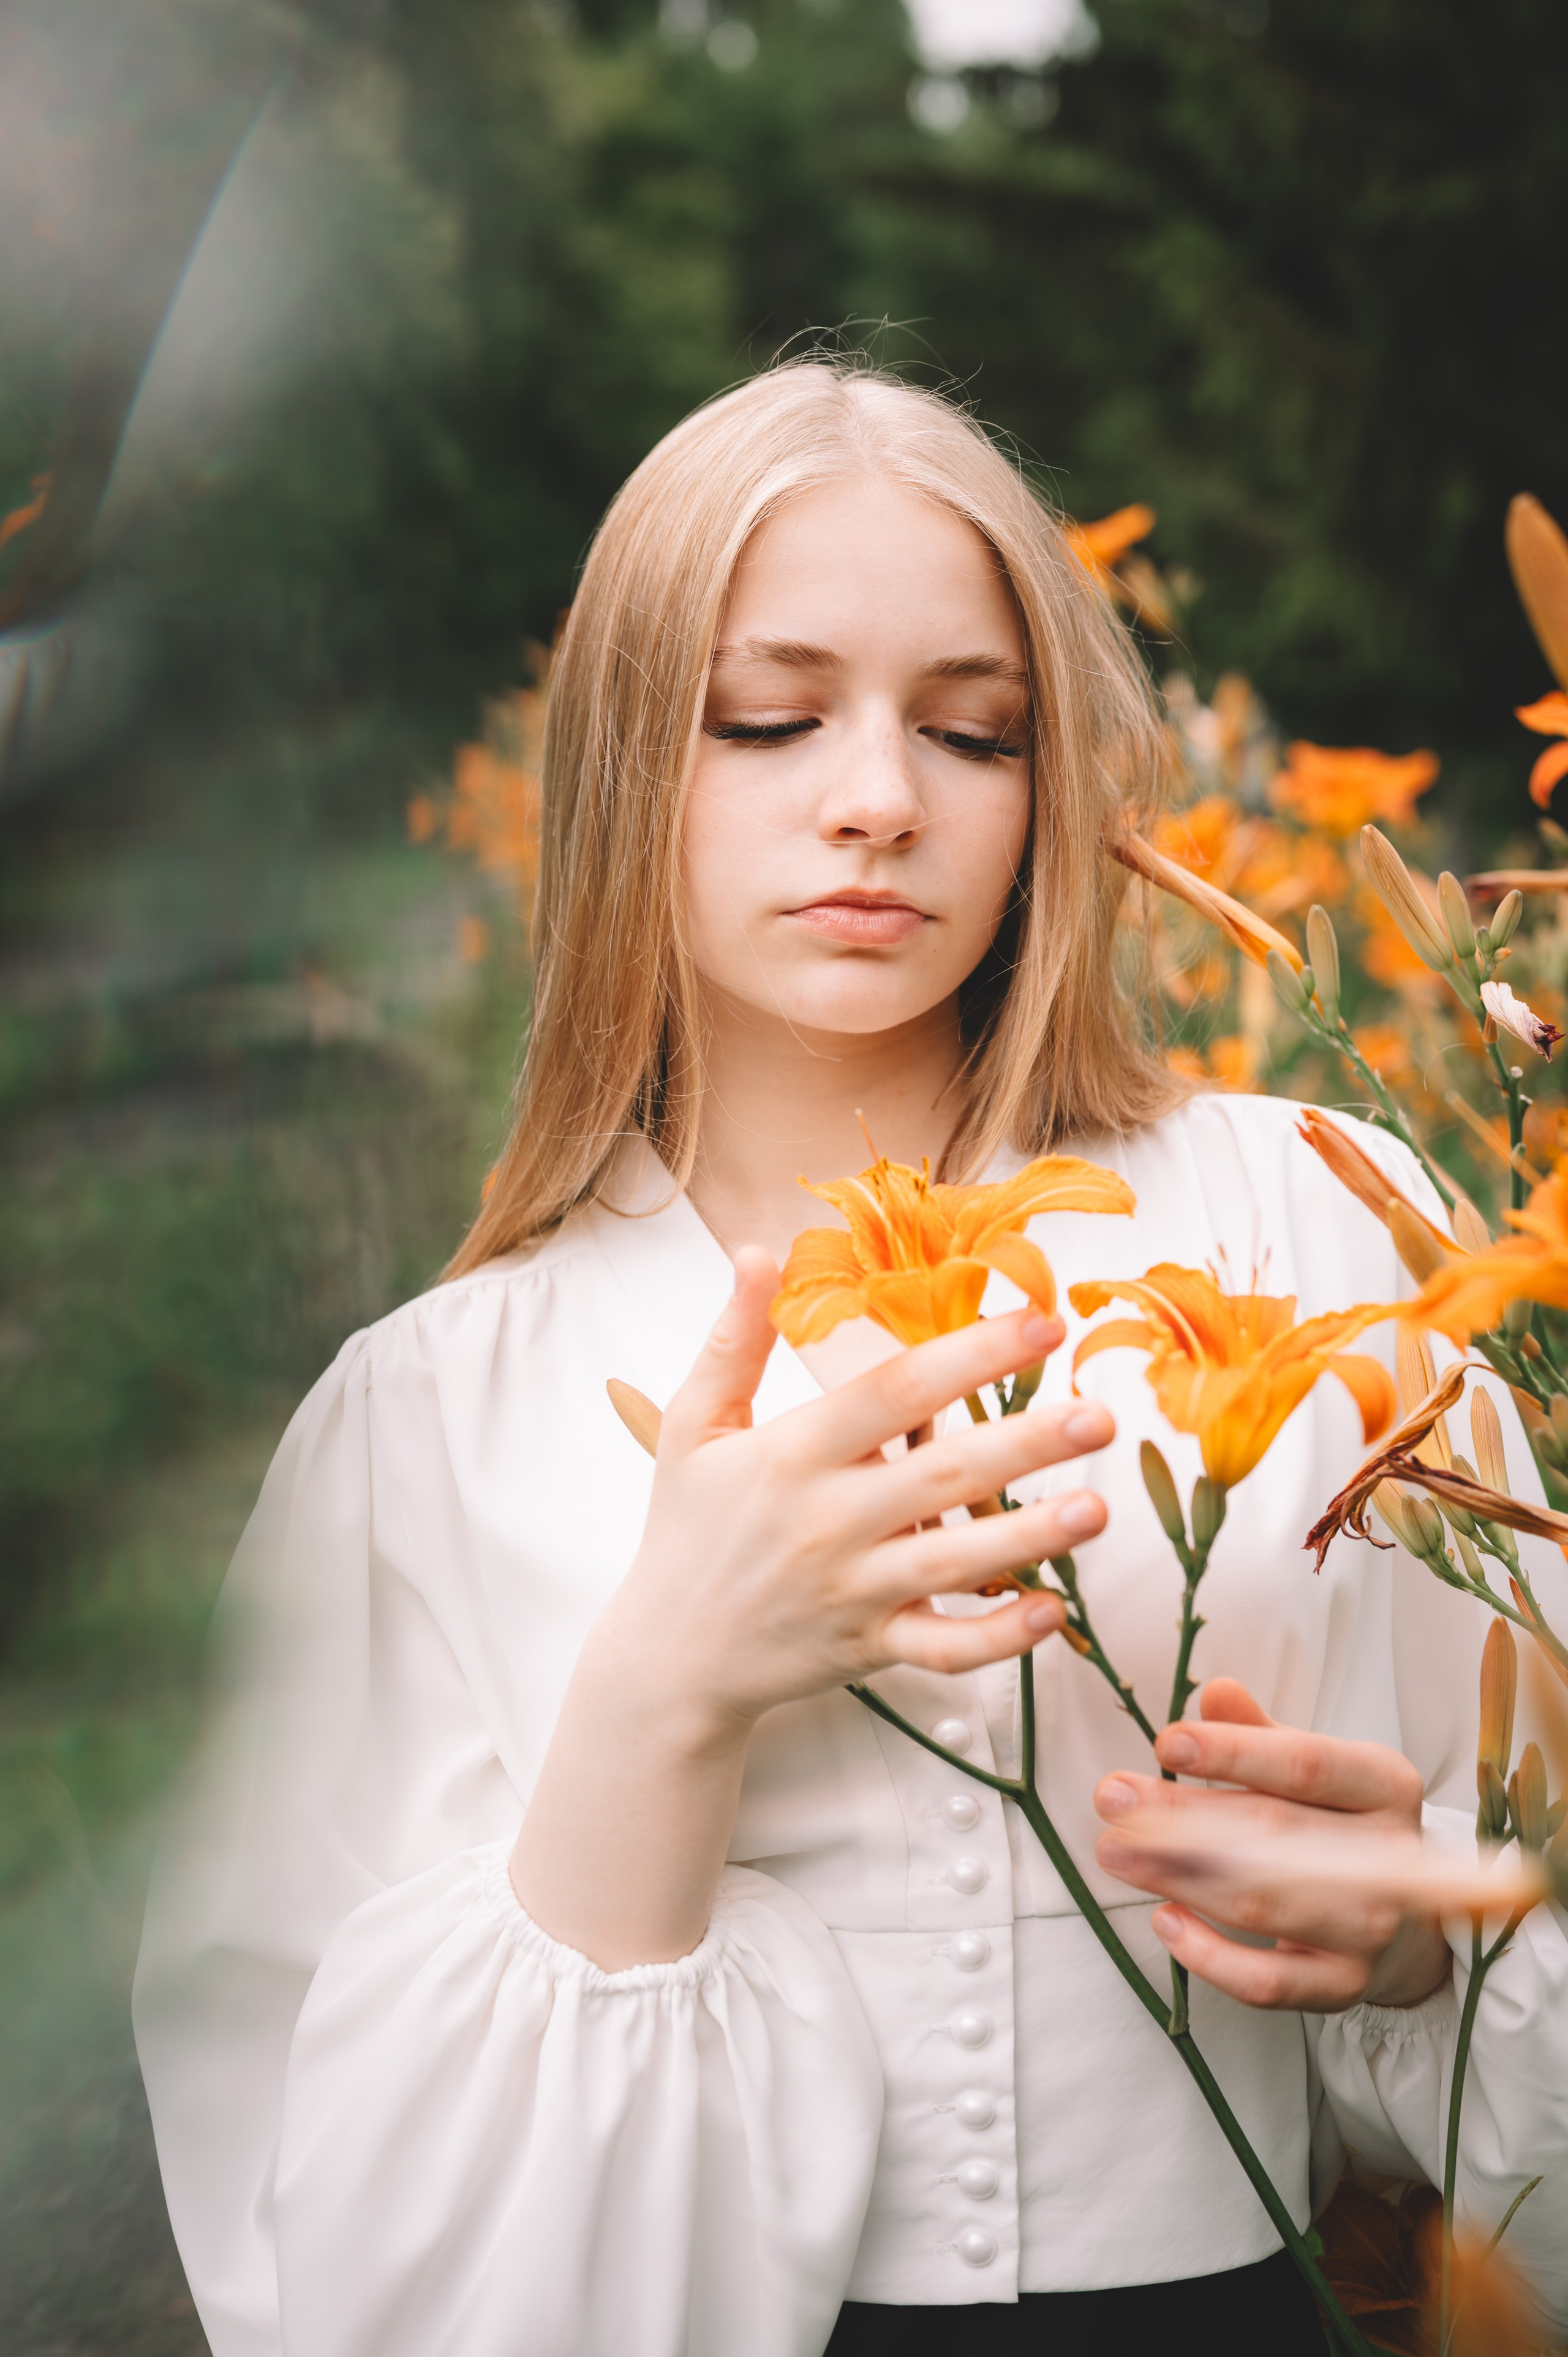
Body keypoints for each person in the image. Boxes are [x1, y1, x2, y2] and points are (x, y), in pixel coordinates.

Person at [134, 361, 1568, 2357]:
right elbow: (323, 2205)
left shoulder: (1307, 1220)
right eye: (769, 717)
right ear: (637, 756)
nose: (879, 796)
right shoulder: (432, 1412)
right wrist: (666, 1686)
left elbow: (1524, 1883)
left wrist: (1428, 1948)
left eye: (974, 732)